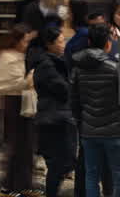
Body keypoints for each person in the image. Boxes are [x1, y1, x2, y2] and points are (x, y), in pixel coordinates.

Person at [71, 23, 120, 197]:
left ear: (89, 42)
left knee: (91, 175)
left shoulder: (77, 69)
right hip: (114, 131)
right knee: (117, 175)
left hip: (88, 131)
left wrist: (81, 122)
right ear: (108, 43)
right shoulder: (115, 69)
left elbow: (74, 102)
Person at [0, 24, 36, 197]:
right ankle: (15, 186)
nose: (26, 44)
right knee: (18, 145)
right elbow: (3, 83)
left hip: (26, 100)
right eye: (25, 41)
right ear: (17, 40)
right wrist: (28, 80)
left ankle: (15, 184)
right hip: (14, 102)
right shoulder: (7, 57)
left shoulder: (24, 56)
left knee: (26, 146)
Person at [35, 24, 75, 197]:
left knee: (59, 165)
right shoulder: (47, 66)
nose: (63, 44)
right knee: (58, 165)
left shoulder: (54, 63)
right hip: (53, 119)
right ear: (49, 44)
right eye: (60, 41)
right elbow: (63, 90)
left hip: (57, 117)